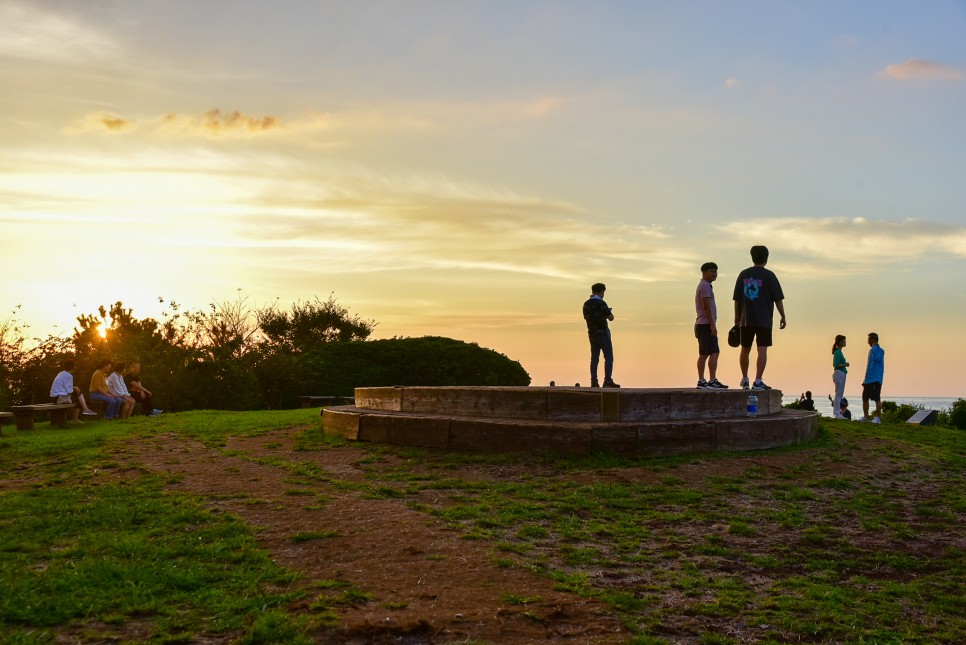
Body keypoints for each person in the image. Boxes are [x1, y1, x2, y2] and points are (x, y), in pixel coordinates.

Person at [733, 245, 786, 390]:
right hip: (764, 319)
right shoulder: (769, 275)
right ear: (766, 258)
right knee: (762, 349)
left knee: (745, 348)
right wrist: (783, 316)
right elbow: (778, 299)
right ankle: (757, 381)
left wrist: (736, 317)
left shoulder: (743, 274)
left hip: (746, 319)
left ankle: (744, 379)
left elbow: (736, 298)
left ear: (752, 257)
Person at [695, 262, 728, 389]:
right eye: (711, 271)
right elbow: (706, 305)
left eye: (715, 272)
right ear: (704, 272)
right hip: (705, 324)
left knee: (703, 354)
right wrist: (712, 325)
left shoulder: (705, 285)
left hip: (701, 324)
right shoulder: (704, 286)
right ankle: (712, 380)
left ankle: (702, 380)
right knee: (714, 352)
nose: (714, 274)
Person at [583, 282, 619, 388]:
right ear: (602, 291)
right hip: (603, 333)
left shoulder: (586, 304)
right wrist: (607, 313)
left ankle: (594, 381)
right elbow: (611, 317)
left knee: (594, 358)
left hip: (592, 334)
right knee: (608, 357)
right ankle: (607, 381)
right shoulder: (602, 304)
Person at [49, 358, 99, 423]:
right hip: (59, 398)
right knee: (78, 395)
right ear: (73, 367)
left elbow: (65, 387)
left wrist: (74, 387)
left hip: (54, 398)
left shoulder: (61, 373)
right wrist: (74, 388)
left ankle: (83, 411)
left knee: (78, 396)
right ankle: (82, 412)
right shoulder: (69, 376)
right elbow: (69, 390)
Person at [860, 332, 885, 423]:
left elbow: (877, 359)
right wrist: (865, 379)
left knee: (876, 398)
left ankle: (878, 418)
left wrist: (874, 346)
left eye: (869, 340)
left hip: (876, 378)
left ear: (873, 340)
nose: (868, 342)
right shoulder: (871, 350)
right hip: (868, 379)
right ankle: (866, 417)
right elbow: (869, 365)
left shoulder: (880, 350)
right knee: (865, 398)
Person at [831, 334, 849, 419]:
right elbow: (835, 364)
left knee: (839, 394)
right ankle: (837, 414)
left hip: (841, 373)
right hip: (839, 373)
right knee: (838, 394)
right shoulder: (837, 352)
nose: (845, 342)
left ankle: (837, 413)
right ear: (840, 342)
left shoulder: (839, 352)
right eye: (844, 340)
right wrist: (845, 364)